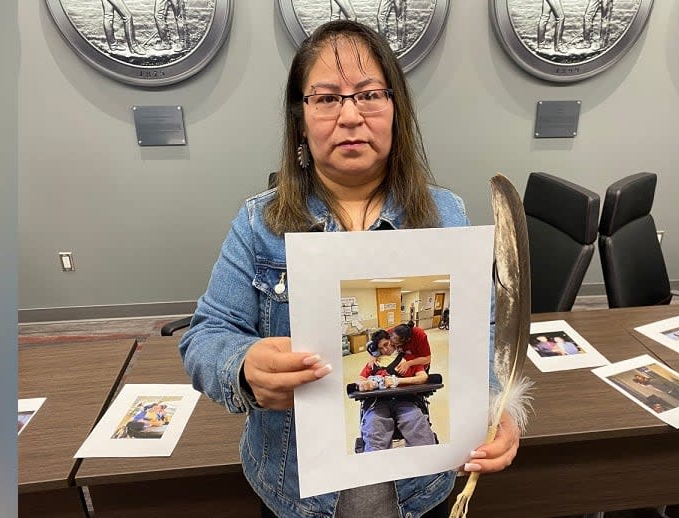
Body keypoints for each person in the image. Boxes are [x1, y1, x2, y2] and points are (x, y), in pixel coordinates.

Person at [178, 20, 519, 518]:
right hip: (294, 490)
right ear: (301, 118)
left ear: (395, 110)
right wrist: (245, 366)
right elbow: (204, 336)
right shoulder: (259, 224)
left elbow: (483, 333)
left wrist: (498, 407)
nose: (350, 116)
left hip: (418, 489)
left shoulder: (447, 216)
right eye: (327, 98)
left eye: (369, 94)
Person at [355, 337, 435, 452]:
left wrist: (397, 381)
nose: (385, 349)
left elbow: (423, 377)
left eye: (386, 344)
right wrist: (364, 384)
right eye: (381, 348)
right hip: (378, 402)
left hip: (406, 400)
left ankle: (426, 461)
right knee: (374, 426)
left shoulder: (409, 359)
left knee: (416, 423)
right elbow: (359, 380)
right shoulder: (373, 364)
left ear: (392, 341)